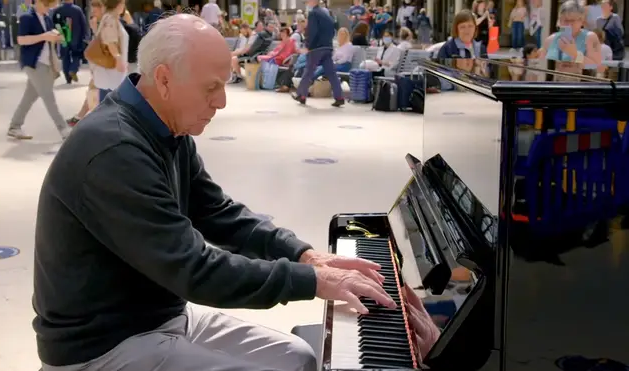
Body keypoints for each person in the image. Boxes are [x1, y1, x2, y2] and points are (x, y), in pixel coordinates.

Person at [29, 12, 444, 371]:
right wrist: (312, 280)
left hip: (158, 319)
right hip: (103, 347)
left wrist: (304, 254)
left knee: (297, 357)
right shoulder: (115, 150)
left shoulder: (166, 128)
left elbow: (219, 213)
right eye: (212, 88)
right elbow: (195, 270)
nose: (222, 102)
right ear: (164, 79)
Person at [8, 0, 71, 140]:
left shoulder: (47, 18)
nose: (51, 9)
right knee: (49, 97)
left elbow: (48, 38)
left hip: (46, 62)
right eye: (49, 5)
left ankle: (14, 126)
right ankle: (63, 129)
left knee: (29, 97)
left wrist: (56, 37)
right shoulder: (27, 16)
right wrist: (44, 36)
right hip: (34, 63)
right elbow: (21, 40)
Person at [292, 0, 344, 107]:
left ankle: (301, 95)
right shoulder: (327, 14)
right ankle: (339, 97)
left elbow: (312, 31)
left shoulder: (313, 13)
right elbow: (332, 30)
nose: (306, 3)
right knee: (332, 73)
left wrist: (308, 45)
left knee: (308, 71)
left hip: (316, 48)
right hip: (328, 47)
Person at [66, 0, 104, 127]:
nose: (92, 12)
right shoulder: (99, 22)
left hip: (106, 66)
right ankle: (82, 117)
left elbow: (103, 44)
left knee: (95, 90)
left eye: (95, 9)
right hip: (100, 65)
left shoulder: (107, 23)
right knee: (93, 89)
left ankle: (83, 117)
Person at [542, 0, 601, 65]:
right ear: (560, 21)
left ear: (581, 21)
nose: (569, 24)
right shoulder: (550, 40)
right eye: (566, 20)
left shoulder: (590, 37)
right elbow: (542, 65)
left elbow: (596, 64)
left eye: (572, 20)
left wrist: (575, 54)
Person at [92, 0, 128, 103]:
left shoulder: (111, 18)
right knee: (109, 105)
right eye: (123, 3)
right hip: (111, 70)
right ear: (118, 4)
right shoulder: (110, 19)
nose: (124, 6)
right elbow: (109, 41)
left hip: (112, 70)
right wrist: (118, 58)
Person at [51, 0, 88, 84]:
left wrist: (58, 34)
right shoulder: (77, 10)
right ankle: (73, 69)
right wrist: (84, 35)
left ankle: (68, 78)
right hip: (76, 37)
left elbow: (55, 23)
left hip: (63, 37)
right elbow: (83, 23)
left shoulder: (57, 10)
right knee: (76, 54)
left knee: (65, 57)